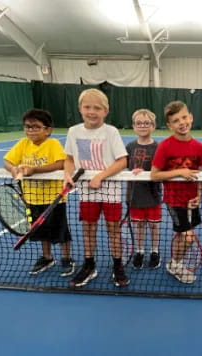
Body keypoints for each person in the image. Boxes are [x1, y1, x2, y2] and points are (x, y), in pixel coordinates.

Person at [64, 88, 128, 287]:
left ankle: (118, 266)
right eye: (87, 107)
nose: (92, 111)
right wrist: (67, 173)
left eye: (97, 108)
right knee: (88, 229)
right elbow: (69, 158)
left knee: (113, 230)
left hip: (110, 190)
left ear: (105, 111)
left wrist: (100, 176)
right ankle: (89, 264)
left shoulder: (111, 132)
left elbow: (122, 161)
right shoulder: (74, 131)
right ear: (80, 109)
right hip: (86, 191)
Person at [3, 109, 75, 277]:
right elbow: (7, 161)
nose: (30, 130)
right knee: (40, 230)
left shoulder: (53, 144)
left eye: (35, 127)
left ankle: (66, 258)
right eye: (27, 127)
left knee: (60, 230)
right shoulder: (22, 144)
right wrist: (13, 168)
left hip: (54, 199)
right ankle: (47, 257)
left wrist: (35, 169)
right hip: (32, 198)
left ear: (47, 129)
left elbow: (60, 163)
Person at [151, 101, 202, 284]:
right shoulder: (165, 146)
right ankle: (176, 263)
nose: (181, 122)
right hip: (174, 200)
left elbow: (199, 175)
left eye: (184, 117)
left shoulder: (199, 147)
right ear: (169, 125)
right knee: (188, 237)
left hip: (192, 201)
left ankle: (173, 261)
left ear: (190, 117)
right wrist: (179, 172)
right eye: (176, 120)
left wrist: (199, 196)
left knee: (182, 234)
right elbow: (155, 175)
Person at [126, 109, 162, 269]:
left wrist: (147, 173)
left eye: (147, 123)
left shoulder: (159, 147)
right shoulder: (130, 147)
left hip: (153, 195)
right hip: (135, 196)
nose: (143, 126)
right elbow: (123, 169)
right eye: (139, 123)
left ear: (153, 126)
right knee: (139, 225)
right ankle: (139, 251)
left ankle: (155, 251)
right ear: (134, 126)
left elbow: (161, 170)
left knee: (154, 225)